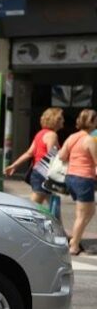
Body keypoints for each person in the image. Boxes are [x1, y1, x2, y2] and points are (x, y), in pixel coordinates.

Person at [4, 107, 64, 206]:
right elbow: (52, 155)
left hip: (38, 172)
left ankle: (56, 221)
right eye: (61, 118)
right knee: (34, 207)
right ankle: (20, 220)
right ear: (55, 120)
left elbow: (29, 153)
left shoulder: (40, 134)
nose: (64, 120)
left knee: (54, 207)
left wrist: (14, 165)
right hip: (44, 174)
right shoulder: (52, 135)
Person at [58, 109, 97, 256]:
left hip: (71, 177)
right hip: (84, 178)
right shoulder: (89, 140)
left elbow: (62, 156)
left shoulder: (72, 137)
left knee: (89, 211)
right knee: (82, 214)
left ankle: (75, 239)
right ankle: (73, 245)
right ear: (91, 122)